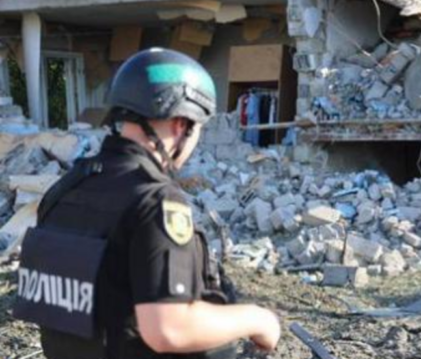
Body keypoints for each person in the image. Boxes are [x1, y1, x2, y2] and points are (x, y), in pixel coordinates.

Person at [13, 48, 281, 359]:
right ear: (181, 124)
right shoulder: (154, 202)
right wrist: (258, 319)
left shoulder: (66, 188)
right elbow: (168, 329)